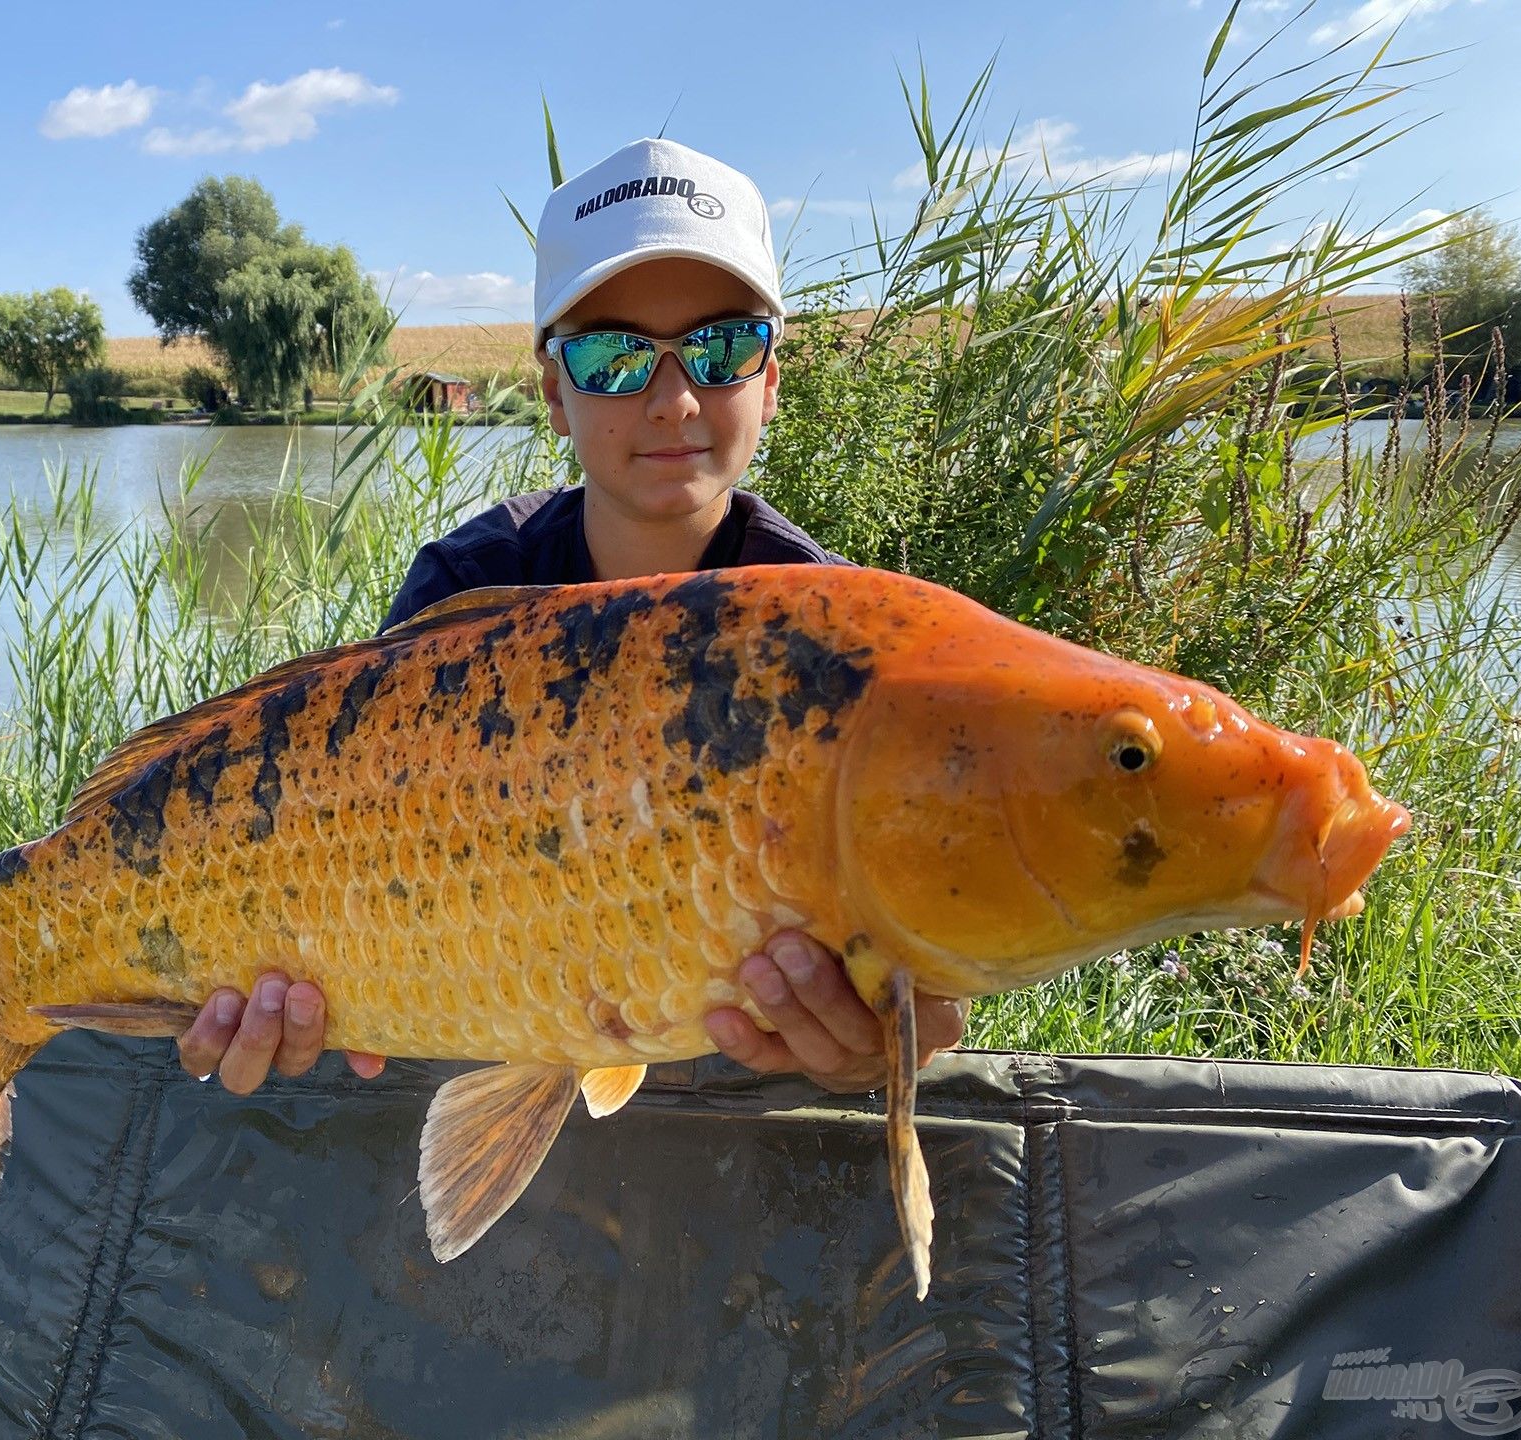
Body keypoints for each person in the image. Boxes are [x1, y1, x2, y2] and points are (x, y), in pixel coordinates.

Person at [176, 138, 968, 1097]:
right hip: (492, 1031)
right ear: (554, 391)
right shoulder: (466, 586)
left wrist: (897, 1035)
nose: (673, 400)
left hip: (735, 1102)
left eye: (720, 348)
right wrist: (283, 990)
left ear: (770, 379)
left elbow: (924, 969)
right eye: (613, 356)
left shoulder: (828, 638)